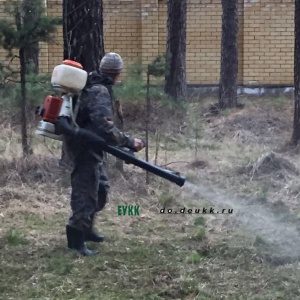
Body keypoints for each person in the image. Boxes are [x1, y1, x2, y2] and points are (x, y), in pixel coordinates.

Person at [64, 52, 145, 256]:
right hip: (85, 147)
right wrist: (129, 141)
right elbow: (104, 126)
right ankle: (76, 241)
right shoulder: (99, 90)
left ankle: (87, 229)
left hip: (90, 146)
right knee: (86, 193)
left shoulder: (94, 83)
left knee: (101, 189)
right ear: (117, 73)